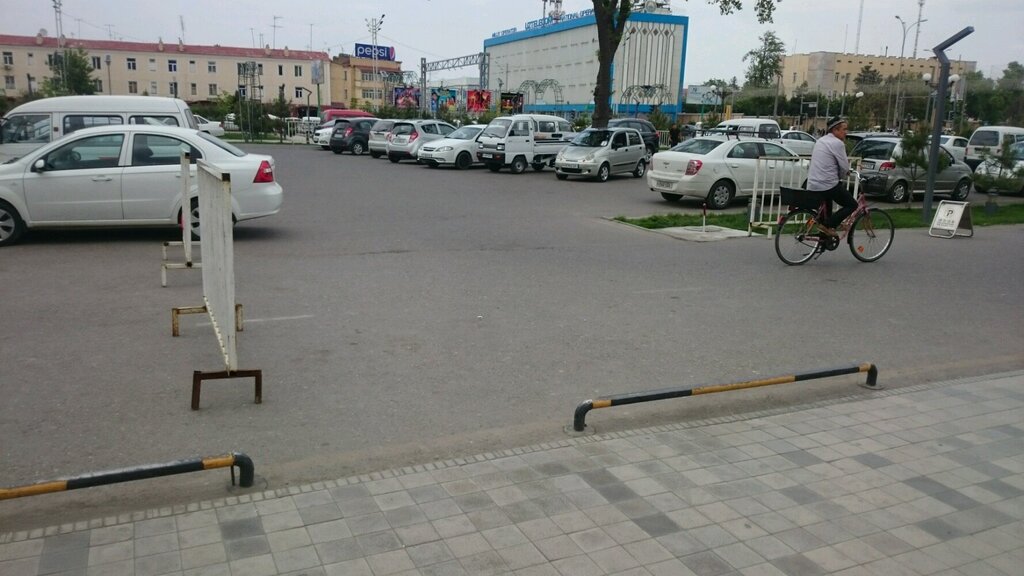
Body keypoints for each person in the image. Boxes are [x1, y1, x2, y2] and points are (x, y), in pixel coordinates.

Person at [806, 116, 856, 236]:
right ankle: (827, 225)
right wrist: (844, 175)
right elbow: (844, 167)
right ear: (835, 130)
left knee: (827, 210)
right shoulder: (837, 143)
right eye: (844, 129)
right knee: (852, 204)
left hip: (813, 183)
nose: (846, 132)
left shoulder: (821, 140)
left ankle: (824, 236)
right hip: (827, 184)